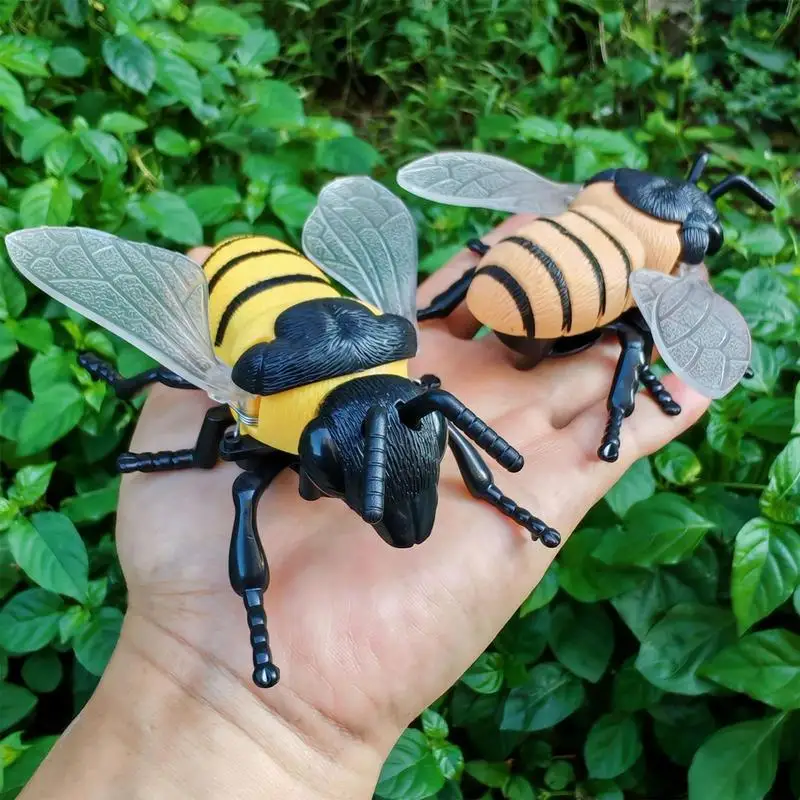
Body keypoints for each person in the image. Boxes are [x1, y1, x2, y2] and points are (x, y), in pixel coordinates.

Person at [20, 214, 709, 799]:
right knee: (236, 473)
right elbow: (220, 427)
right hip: (242, 287)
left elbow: (416, 413)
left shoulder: (398, 382)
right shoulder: (251, 403)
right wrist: (201, 452)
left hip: (313, 314)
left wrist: (492, 491)